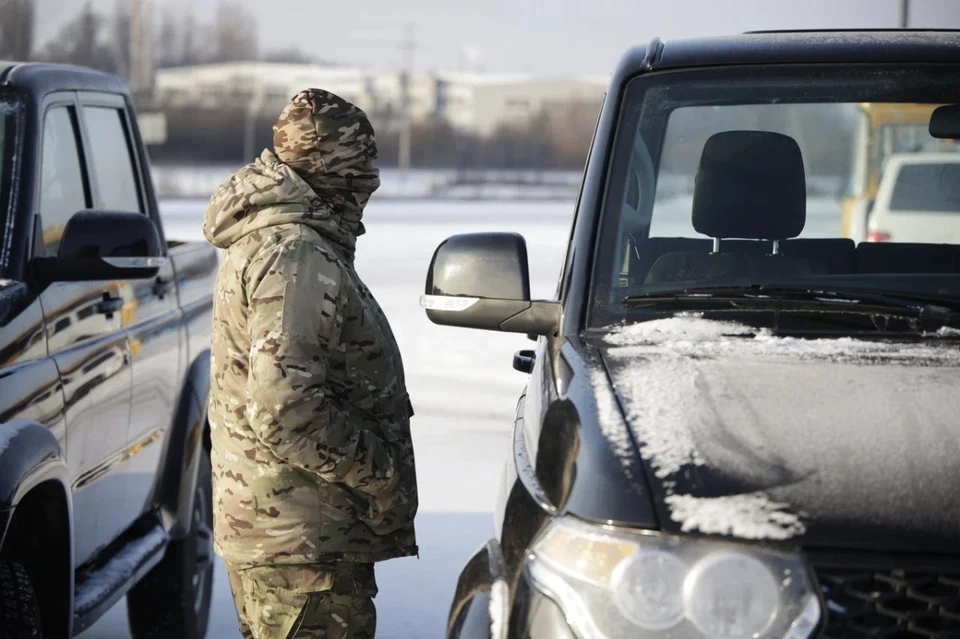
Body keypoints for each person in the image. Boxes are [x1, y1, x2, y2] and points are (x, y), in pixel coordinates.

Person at [202, 88, 419, 639]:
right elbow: (285, 408)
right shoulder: (294, 251)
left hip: (287, 540)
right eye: (362, 162)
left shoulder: (275, 238)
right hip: (302, 547)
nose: (372, 177)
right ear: (331, 167)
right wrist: (381, 475)